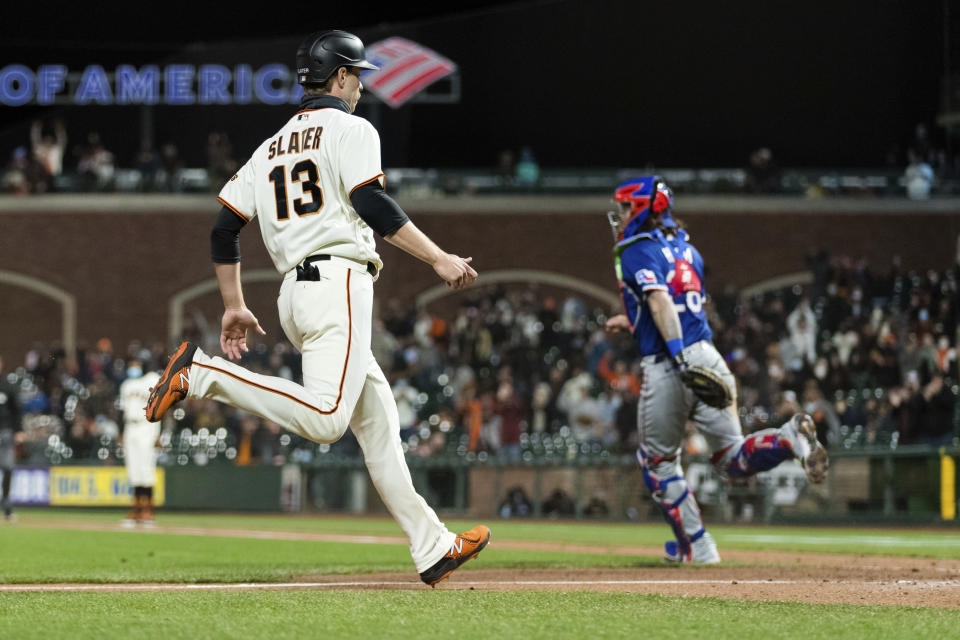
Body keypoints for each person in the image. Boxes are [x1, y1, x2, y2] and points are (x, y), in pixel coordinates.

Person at [145, 29, 488, 586]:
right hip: (338, 284)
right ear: (341, 77)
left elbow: (224, 228)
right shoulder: (351, 128)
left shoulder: (271, 144)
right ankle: (203, 373)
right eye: (358, 75)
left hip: (294, 296)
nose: (361, 86)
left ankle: (433, 546)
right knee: (328, 419)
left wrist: (233, 304)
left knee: (377, 423)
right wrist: (438, 258)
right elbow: (370, 200)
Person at [604, 176, 829, 563]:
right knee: (732, 456)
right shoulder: (688, 251)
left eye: (626, 207)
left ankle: (697, 545)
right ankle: (788, 438)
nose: (620, 215)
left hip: (670, 364)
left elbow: (660, 303)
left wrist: (677, 356)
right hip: (709, 355)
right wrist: (633, 322)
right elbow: (680, 305)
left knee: (657, 462)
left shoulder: (636, 248)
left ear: (642, 208)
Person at [118, 360, 161, 527]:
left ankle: (148, 509)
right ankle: (136, 508)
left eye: (136, 365)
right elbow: (121, 410)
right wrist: (121, 433)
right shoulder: (126, 385)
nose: (133, 367)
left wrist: (158, 434)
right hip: (130, 426)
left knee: (146, 468)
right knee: (133, 469)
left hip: (147, 426)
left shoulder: (152, 379)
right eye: (132, 365)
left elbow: (160, 407)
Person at [0, 356, 23, 521]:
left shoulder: (8, 386)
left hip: (6, 432)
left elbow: (17, 410)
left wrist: (19, 430)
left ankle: (6, 505)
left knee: (8, 467)